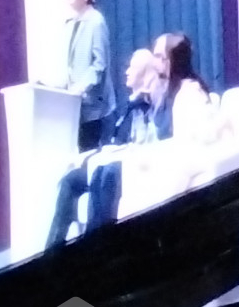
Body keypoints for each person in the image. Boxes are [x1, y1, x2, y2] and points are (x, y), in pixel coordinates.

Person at [45, 49, 159, 249]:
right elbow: (119, 139)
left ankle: (94, 249)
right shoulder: (131, 104)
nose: (127, 72)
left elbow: (147, 143)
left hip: (130, 168)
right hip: (113, 159)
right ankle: (53, 250)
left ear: (145, 73)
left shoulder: (151, 103)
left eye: (132, 67)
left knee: (102, 175)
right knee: (70, 179)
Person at [58, 0, 112, 152]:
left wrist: (81, 87)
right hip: (74, 105)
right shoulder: (70, 23)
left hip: (94, 106)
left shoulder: (96, 22)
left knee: (90, 151)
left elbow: (100, 64)